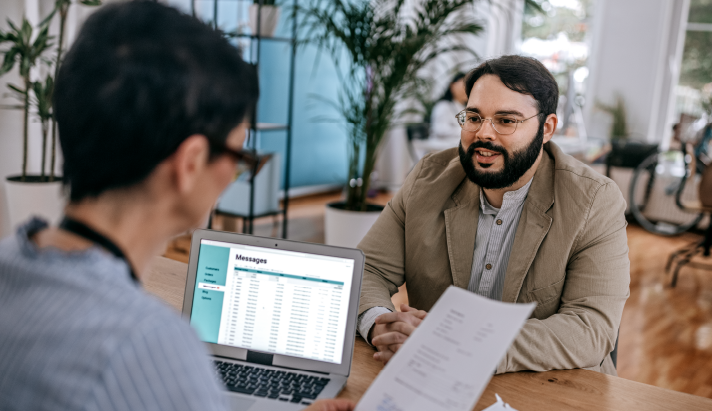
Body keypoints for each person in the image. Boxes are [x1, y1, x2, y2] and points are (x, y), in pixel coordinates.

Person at [0, 3, 353, 411]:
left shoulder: (9, 262)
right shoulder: (147, 344)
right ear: (189, 164)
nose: (235, 175)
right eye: (239, 156)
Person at [356, 55, 630, 376]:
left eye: (506, 120)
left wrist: (462, 345)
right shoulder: (428, 178)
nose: (484, 134)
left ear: (547, 128)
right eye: (474, 117)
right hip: (430, 378)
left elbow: (591, 329)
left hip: (550, 387)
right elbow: (368, 269)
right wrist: (379, 325)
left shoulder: (595, 199)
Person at [429, 73, 468, 145]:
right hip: (441, 148)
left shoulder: (466, 109)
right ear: (452, 86)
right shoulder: (443, 106)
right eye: (464, 85)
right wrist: (466, 131)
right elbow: (439, 129)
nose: (467, 89)